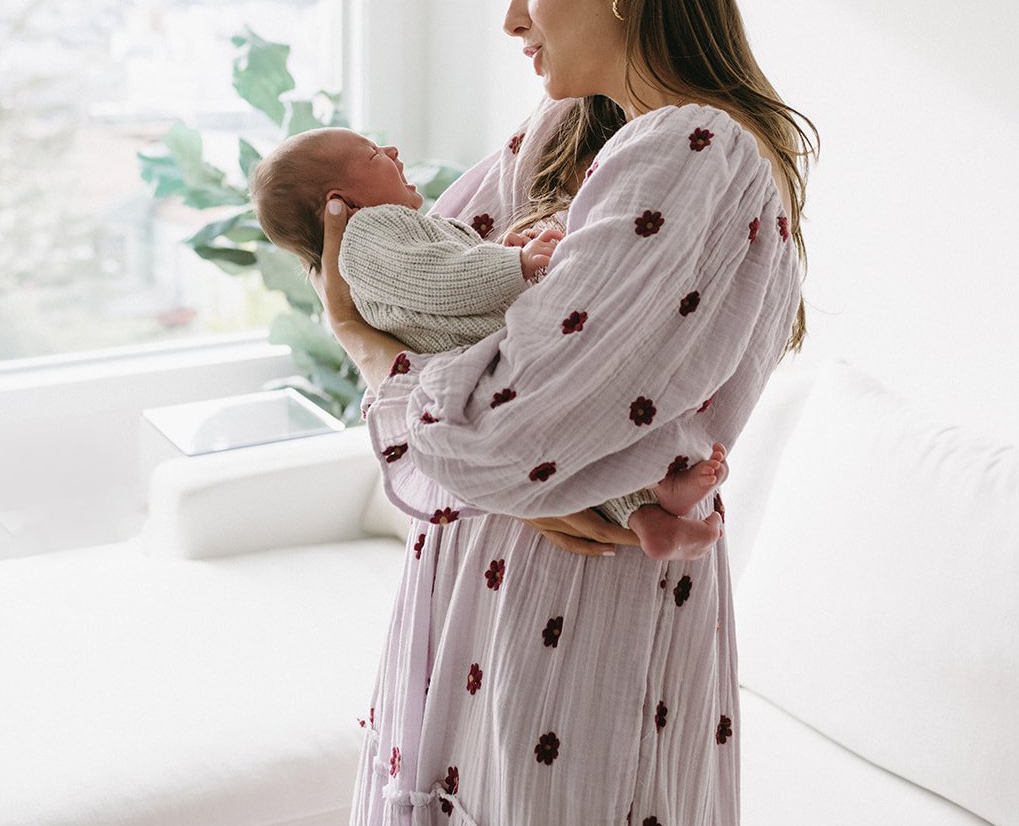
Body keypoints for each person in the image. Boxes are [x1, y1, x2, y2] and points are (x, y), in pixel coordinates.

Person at [316, 0, 816, 826]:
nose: (511, 17)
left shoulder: (693, 147)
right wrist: (513, 454)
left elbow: (494, 437)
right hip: (476, 589)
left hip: (575, 607)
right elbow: (398, 277)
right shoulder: (561, 136)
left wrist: (379, 362)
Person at [249, 127, 727, 561]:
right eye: (372, 153)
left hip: (490, 370)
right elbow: (435, 280)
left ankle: (647, 512)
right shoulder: (368, 234)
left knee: (565, 440)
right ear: (343, 201)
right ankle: (651, 495)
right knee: (580, 418)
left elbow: (450, 264)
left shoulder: (400, 233)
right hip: (481, 368)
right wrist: (512, 265)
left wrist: (503, 250)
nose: (392, 150)